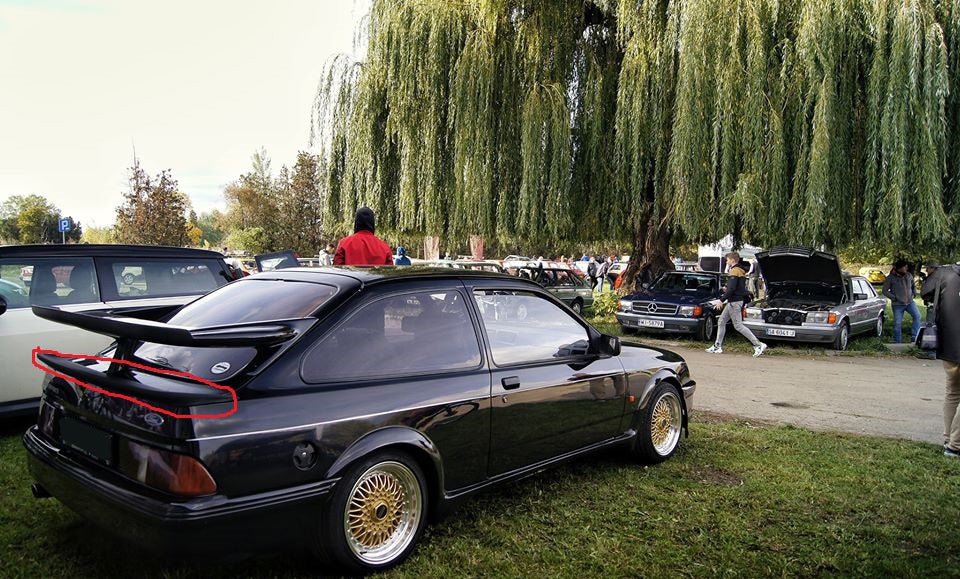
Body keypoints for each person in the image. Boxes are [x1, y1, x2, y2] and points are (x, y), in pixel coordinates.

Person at [920, 263, 960, 459]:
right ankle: (955, 445)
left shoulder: (945, 274)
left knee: (953, 392)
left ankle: (948, 438)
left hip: (950, 346)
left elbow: (925, 292)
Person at [706, 252, 767, 357]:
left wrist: (721, 300)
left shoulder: (734, 271)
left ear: (732, 260)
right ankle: (717, 346)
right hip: (734, 301)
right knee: (721, 321)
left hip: (734, 302)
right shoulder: (740, 271)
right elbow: (736, 287)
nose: (726, 262)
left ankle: (758, 345)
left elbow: (732, 289)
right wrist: (727, 288)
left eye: (727, 260)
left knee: (738, 325)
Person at [882, 258, 921, 343]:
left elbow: (913, 285)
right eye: (905, 267)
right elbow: (884, 291)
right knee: (898, 323)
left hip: (910, 303)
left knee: (917, 316)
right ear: (899, 268)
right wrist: (894, 298)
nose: (906, 268)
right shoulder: (890, 278)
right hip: (897, 305)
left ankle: (914, 337)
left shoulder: (909, 275)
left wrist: (914, 293)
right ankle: (897, 341)